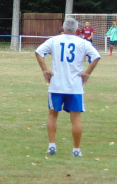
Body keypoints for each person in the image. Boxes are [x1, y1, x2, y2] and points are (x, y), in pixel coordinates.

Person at [35, 18, 100, 157]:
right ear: (77, 30)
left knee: (52, 115)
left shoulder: (54, 40)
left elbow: (38, 52)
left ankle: (51, 146)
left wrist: (45, 70)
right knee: (76, 119)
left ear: (63, 28)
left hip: (56, 85)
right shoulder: (83, 42)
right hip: (75, 86)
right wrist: (87, 73)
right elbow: (96, 56)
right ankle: (76, 150)